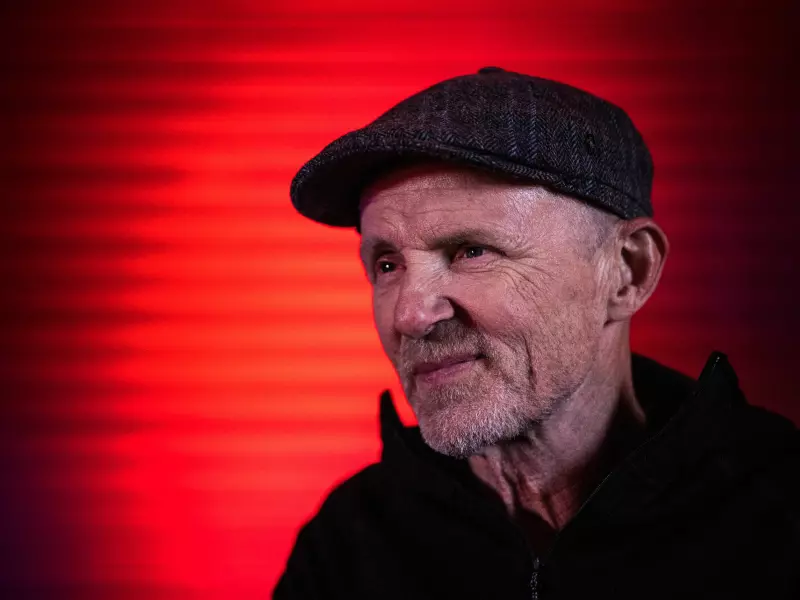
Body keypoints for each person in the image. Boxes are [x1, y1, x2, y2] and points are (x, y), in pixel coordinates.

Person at [273, 67, 799, 599]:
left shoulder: (781, 516)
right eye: (387, 265)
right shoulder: (348, 546)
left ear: (627, 272)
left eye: (471, 251)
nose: (409, 315)